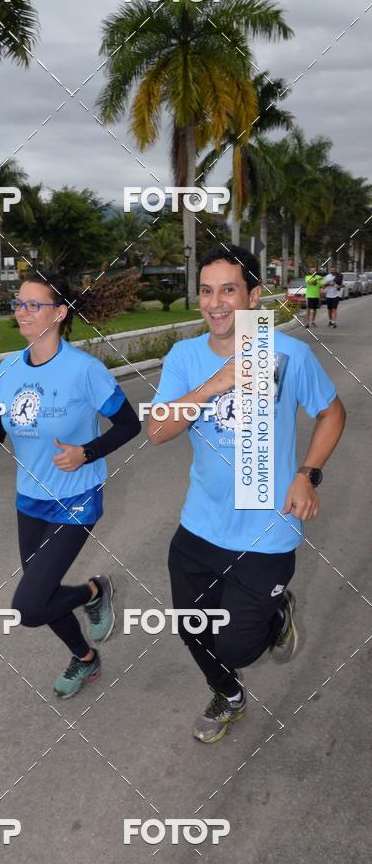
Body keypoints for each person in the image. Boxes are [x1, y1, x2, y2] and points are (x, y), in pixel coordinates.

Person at [147, 245, 346, 743]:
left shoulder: (288, 354)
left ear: (254, 297)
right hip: (199, 526)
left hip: (266, 529)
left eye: (229, 290)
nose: (215, 303)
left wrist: (308, 473)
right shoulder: (185, 356)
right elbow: (156, 431)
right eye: (207, 291)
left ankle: (277, 615)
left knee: (237, 646)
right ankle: (228, 695)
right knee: (193, 629)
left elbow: (332, 413)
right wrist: (215, 384)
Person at [0, 273, 141, 698]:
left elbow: (129, 424)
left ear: (60, 313)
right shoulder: (8, 368)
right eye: (19, 303)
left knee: (29, 607)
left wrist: (86, 452)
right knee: (43, 594)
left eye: (34, 305)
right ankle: (85, 656)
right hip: (29, 500)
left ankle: (94, 590)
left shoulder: (85, 370)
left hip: (77, 498)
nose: (22, 312)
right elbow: (1, 438)